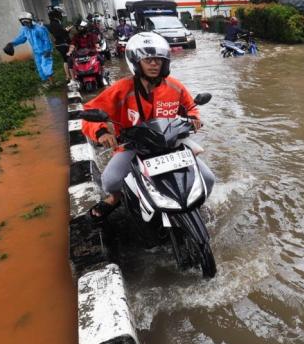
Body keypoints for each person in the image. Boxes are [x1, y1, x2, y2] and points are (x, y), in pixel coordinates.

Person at [80, 32, 215, 220]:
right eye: (148, 59)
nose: (154, 64)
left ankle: (197, 204)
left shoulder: (174, 86)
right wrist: (101, 132)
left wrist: (193, 117)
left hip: (170, 144)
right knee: (110, 181)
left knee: (208, 179)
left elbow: (190, 106)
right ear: (136, 62)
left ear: (165, 63)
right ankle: (115, 198)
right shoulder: (121, 88)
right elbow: (89, 112)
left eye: (158, 60)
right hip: (134, 146)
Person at [6, 11, 54, 83]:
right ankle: (46, 82)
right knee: (40, 68)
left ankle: (52, 82)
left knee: (46, 67)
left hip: (45, 51)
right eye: (24, 22)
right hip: (36, 52)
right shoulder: (25, 29)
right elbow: (21, 38)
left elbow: (46, 40)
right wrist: (12, 43)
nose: (26, 24)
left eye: (27, 22)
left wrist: (47, 50)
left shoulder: (39, 28)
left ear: (31, 20)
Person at [47, 9, 71, 83]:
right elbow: (61, 34)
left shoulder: (51, 24)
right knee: (68, 59)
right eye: (59, 14)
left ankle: (68, 76)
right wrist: (67, 30)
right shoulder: (56, 24)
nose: (60, 16)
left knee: (65, 60)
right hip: (63, 43)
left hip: (58, 44)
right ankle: (69, 76)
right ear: (56, 16)